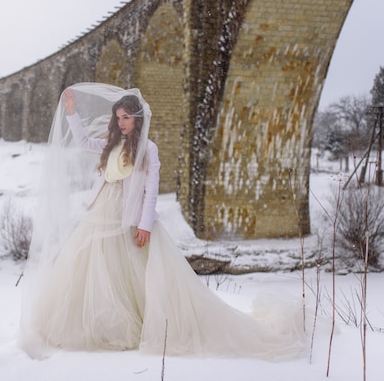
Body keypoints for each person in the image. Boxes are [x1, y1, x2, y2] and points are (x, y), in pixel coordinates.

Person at [20, 82, 307, 360]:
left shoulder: (148, 149)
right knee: (96, 269)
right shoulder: (111, 143)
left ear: (137, 119)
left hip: (129, 217)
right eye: (118, 117)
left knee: (130, 271)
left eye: (126, 117)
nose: (121, 122)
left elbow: (151, 191)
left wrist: (145, 224)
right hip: (102, 213)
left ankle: (140, 321)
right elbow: (82, 142)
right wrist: (72, 112)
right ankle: (100, 324)